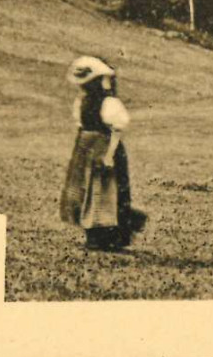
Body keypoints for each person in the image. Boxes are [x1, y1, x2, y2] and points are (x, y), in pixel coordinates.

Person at [59, 56, 149, 252]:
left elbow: (116, 131)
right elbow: (82, 127)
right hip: (87, 148)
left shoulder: (109, 103)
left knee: (109, 192)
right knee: (87, 191)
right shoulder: (82, 101)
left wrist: (109, 155)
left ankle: (111, 237)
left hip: (106, 147)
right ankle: (94, 234)